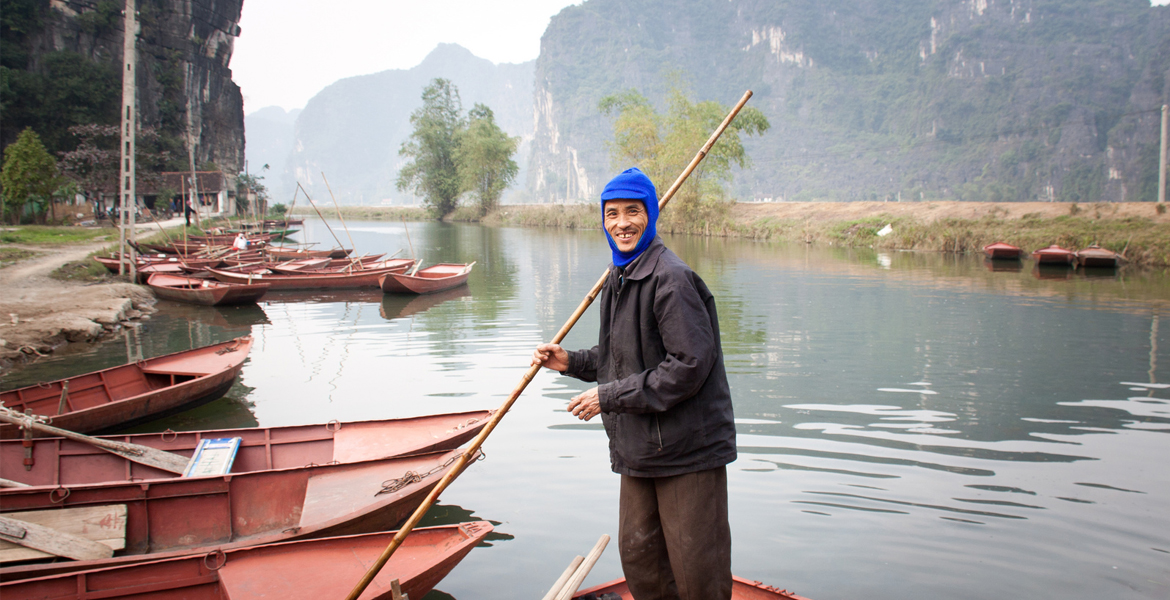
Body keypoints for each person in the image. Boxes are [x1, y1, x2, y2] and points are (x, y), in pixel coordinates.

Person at [532, 167, 737, 600]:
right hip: (641, 450)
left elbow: (688, 366)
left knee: (697, 572)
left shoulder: (670, 278)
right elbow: (619, 359)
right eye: (612, 214)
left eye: (632, 211)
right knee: (642, 564)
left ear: (651, 215)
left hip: (687, 453)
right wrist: (571, 362)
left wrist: (608, 397)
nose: (621, 223)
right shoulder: (619, 277)